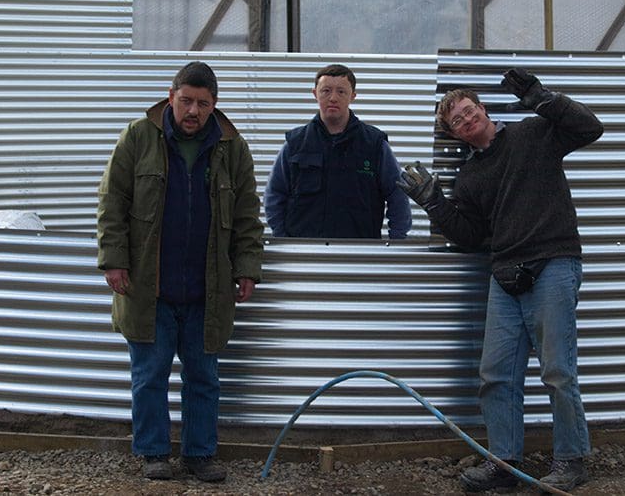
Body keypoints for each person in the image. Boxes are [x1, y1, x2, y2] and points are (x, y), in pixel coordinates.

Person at [397, 68, 603, 493]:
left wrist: (538, 94)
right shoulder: (469, 178)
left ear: (483, 108)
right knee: (496, 374)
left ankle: (571, 460)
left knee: (557, 370)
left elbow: (589, 127)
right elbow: (471, 237)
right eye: (457, 120)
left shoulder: (533, 134)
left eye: (469, 110)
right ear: (454, 133)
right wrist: (434, 202)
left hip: (553, 262)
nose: (467, 120)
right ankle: (505, 463)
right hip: (506, 273)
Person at [97, 61, 264, 482]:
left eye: (203, 103)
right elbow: (112, 201)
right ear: (170, 96)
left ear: (214, 105)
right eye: (186, 100)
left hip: (208, 291)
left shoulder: (232, 147)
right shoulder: (138, 137)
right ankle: (154, 452)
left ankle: (199, 454)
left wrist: (246, 268)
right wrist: (114, 259)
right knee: (149, 374)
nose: (193, 110)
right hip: (148, 287)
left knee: (204, 376)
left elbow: (247, 215)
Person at [263, 63, 411, 239]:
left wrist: (396, 243)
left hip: (360, 255)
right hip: (305, 256)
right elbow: (274, 195)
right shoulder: (295, 144)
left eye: (341, 91)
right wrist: (284, 240)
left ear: (353, 96)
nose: (333, 98)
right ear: (315, 94)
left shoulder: (374, 144)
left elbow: (398, 194)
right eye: (326, 91)